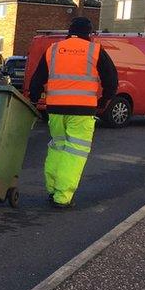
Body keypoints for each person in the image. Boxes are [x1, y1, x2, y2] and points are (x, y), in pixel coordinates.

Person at [28, 17, 117, 208]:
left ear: (70, 32)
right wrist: (104, 100)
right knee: (75, 152)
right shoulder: (95, 50)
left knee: (57, 147)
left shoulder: (53, 50)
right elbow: (111, 79)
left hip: (55, 110)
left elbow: (37, 79)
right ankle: (62, 197)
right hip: (82, 112)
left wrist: (34, 99)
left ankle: (52, 189)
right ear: (90, 34)